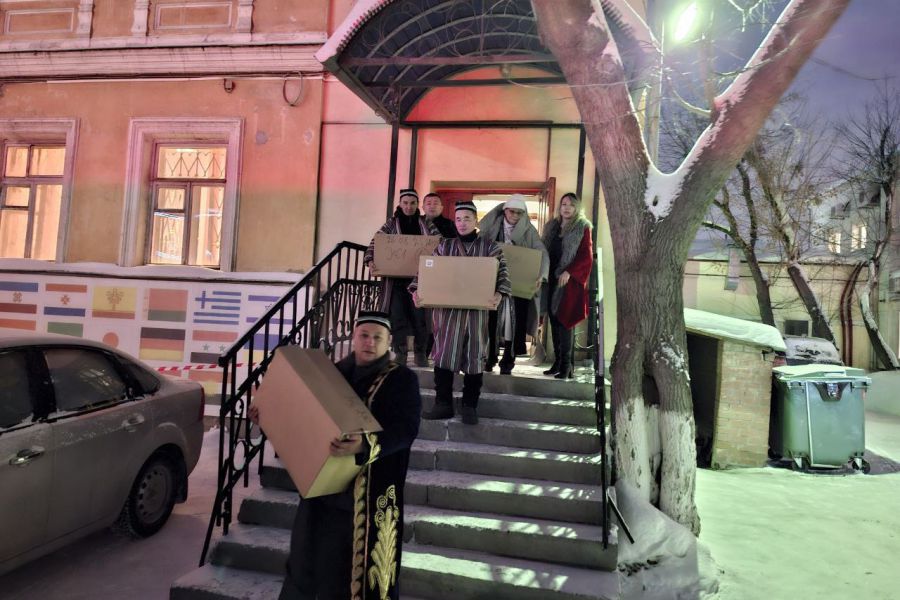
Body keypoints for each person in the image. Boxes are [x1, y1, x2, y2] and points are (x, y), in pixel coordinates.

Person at [250, 311, 421, 600]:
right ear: (354, 337)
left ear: (389, 341)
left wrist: (365, 444)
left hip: (368, 495)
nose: (369, 342)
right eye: (364, 335)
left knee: (349, 578)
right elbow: (306, 420)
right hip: (322, 491)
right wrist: (267, 415)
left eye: (377, 337)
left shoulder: (401, 380)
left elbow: (406, 430)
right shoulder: (333, 373)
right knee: (306, 564)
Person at [409, 200, 511, 425]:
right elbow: (425, 272)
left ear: (475, 220)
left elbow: (503, 273)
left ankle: (469, 406)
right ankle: (443, 404)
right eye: (458, 219)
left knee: (475, 358)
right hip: (447, 315)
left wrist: (499, 293)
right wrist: (417, 290)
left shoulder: (490, 248)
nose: (462, 223)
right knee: (443, 356)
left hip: (476, 315)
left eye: (467, 218)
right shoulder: (444, 247)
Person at [365, 189, 439, 366]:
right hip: (396, 282)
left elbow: (439, 242)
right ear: (400, 204)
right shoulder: (391, 224)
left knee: (420, 318)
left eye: (412, 203)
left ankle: (420, 353)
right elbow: (376, 242)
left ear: (417, 205)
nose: (408, 206)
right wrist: (370, 261)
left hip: (420, 281)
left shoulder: (426, 224)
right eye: (405, 203)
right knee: (397, 316)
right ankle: (400, 352)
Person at [478, 194, 549, 374]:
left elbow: (542, 253)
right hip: (493, 283)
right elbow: (479, 246)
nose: (515, 216)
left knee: (513, 324)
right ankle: (489, 357)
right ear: (505, 211)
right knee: (490, 321)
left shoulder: (529, 231)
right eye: (512, 212)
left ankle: (508, 361)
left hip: (517, 286)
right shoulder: (492, 227)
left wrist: (541, 275)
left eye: (519, 213)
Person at [541, 192, 593, 380]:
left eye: (571, 205)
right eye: (564, 204)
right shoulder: (552, 227)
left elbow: (586, 256)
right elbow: (542, 250)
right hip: (551, 278)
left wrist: (569, 272)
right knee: (554, 321)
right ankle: (557, 362)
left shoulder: (582, 227)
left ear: (577, 208)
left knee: (565, 322)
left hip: (568, 281)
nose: (567, 208)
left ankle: (566, 366)